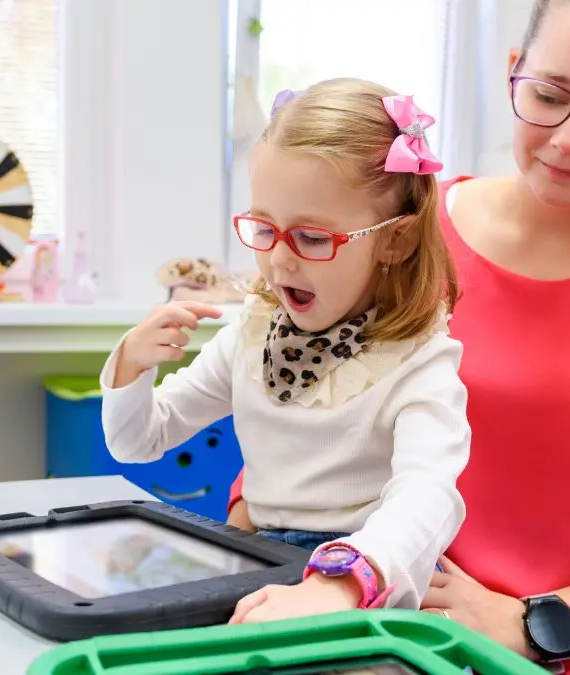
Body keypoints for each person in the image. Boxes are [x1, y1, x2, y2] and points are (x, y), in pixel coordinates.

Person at [227, 0, 570, 673]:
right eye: (549, 95)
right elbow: (302, 404)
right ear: (515, 72)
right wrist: (256, 531)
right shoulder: (405, 241)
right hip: (381, 599)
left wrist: (528, 619)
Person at [99, 77, 469, 623]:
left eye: (313, 239)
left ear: (397, 239)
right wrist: (132, 363)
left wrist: (343, 582)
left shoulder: (419, 362)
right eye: (263, 228)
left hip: (372, 575)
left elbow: (427, 499)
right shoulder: (252, 335)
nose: (279, 261)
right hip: (261, 560)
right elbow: (139, 441)